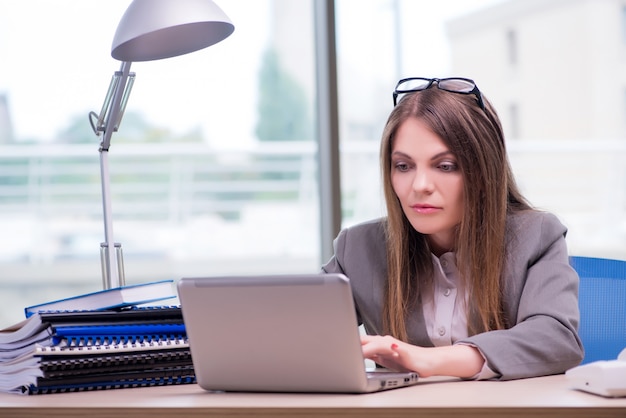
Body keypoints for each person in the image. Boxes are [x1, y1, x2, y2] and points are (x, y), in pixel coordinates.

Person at [321, 77, 583, 381]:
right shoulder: (358, 249)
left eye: (445, 166)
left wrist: (428, 360)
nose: (420, 186)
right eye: (403, 166)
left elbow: (556, 339)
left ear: (484, 172)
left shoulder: (536, 236)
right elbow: (293, 327)